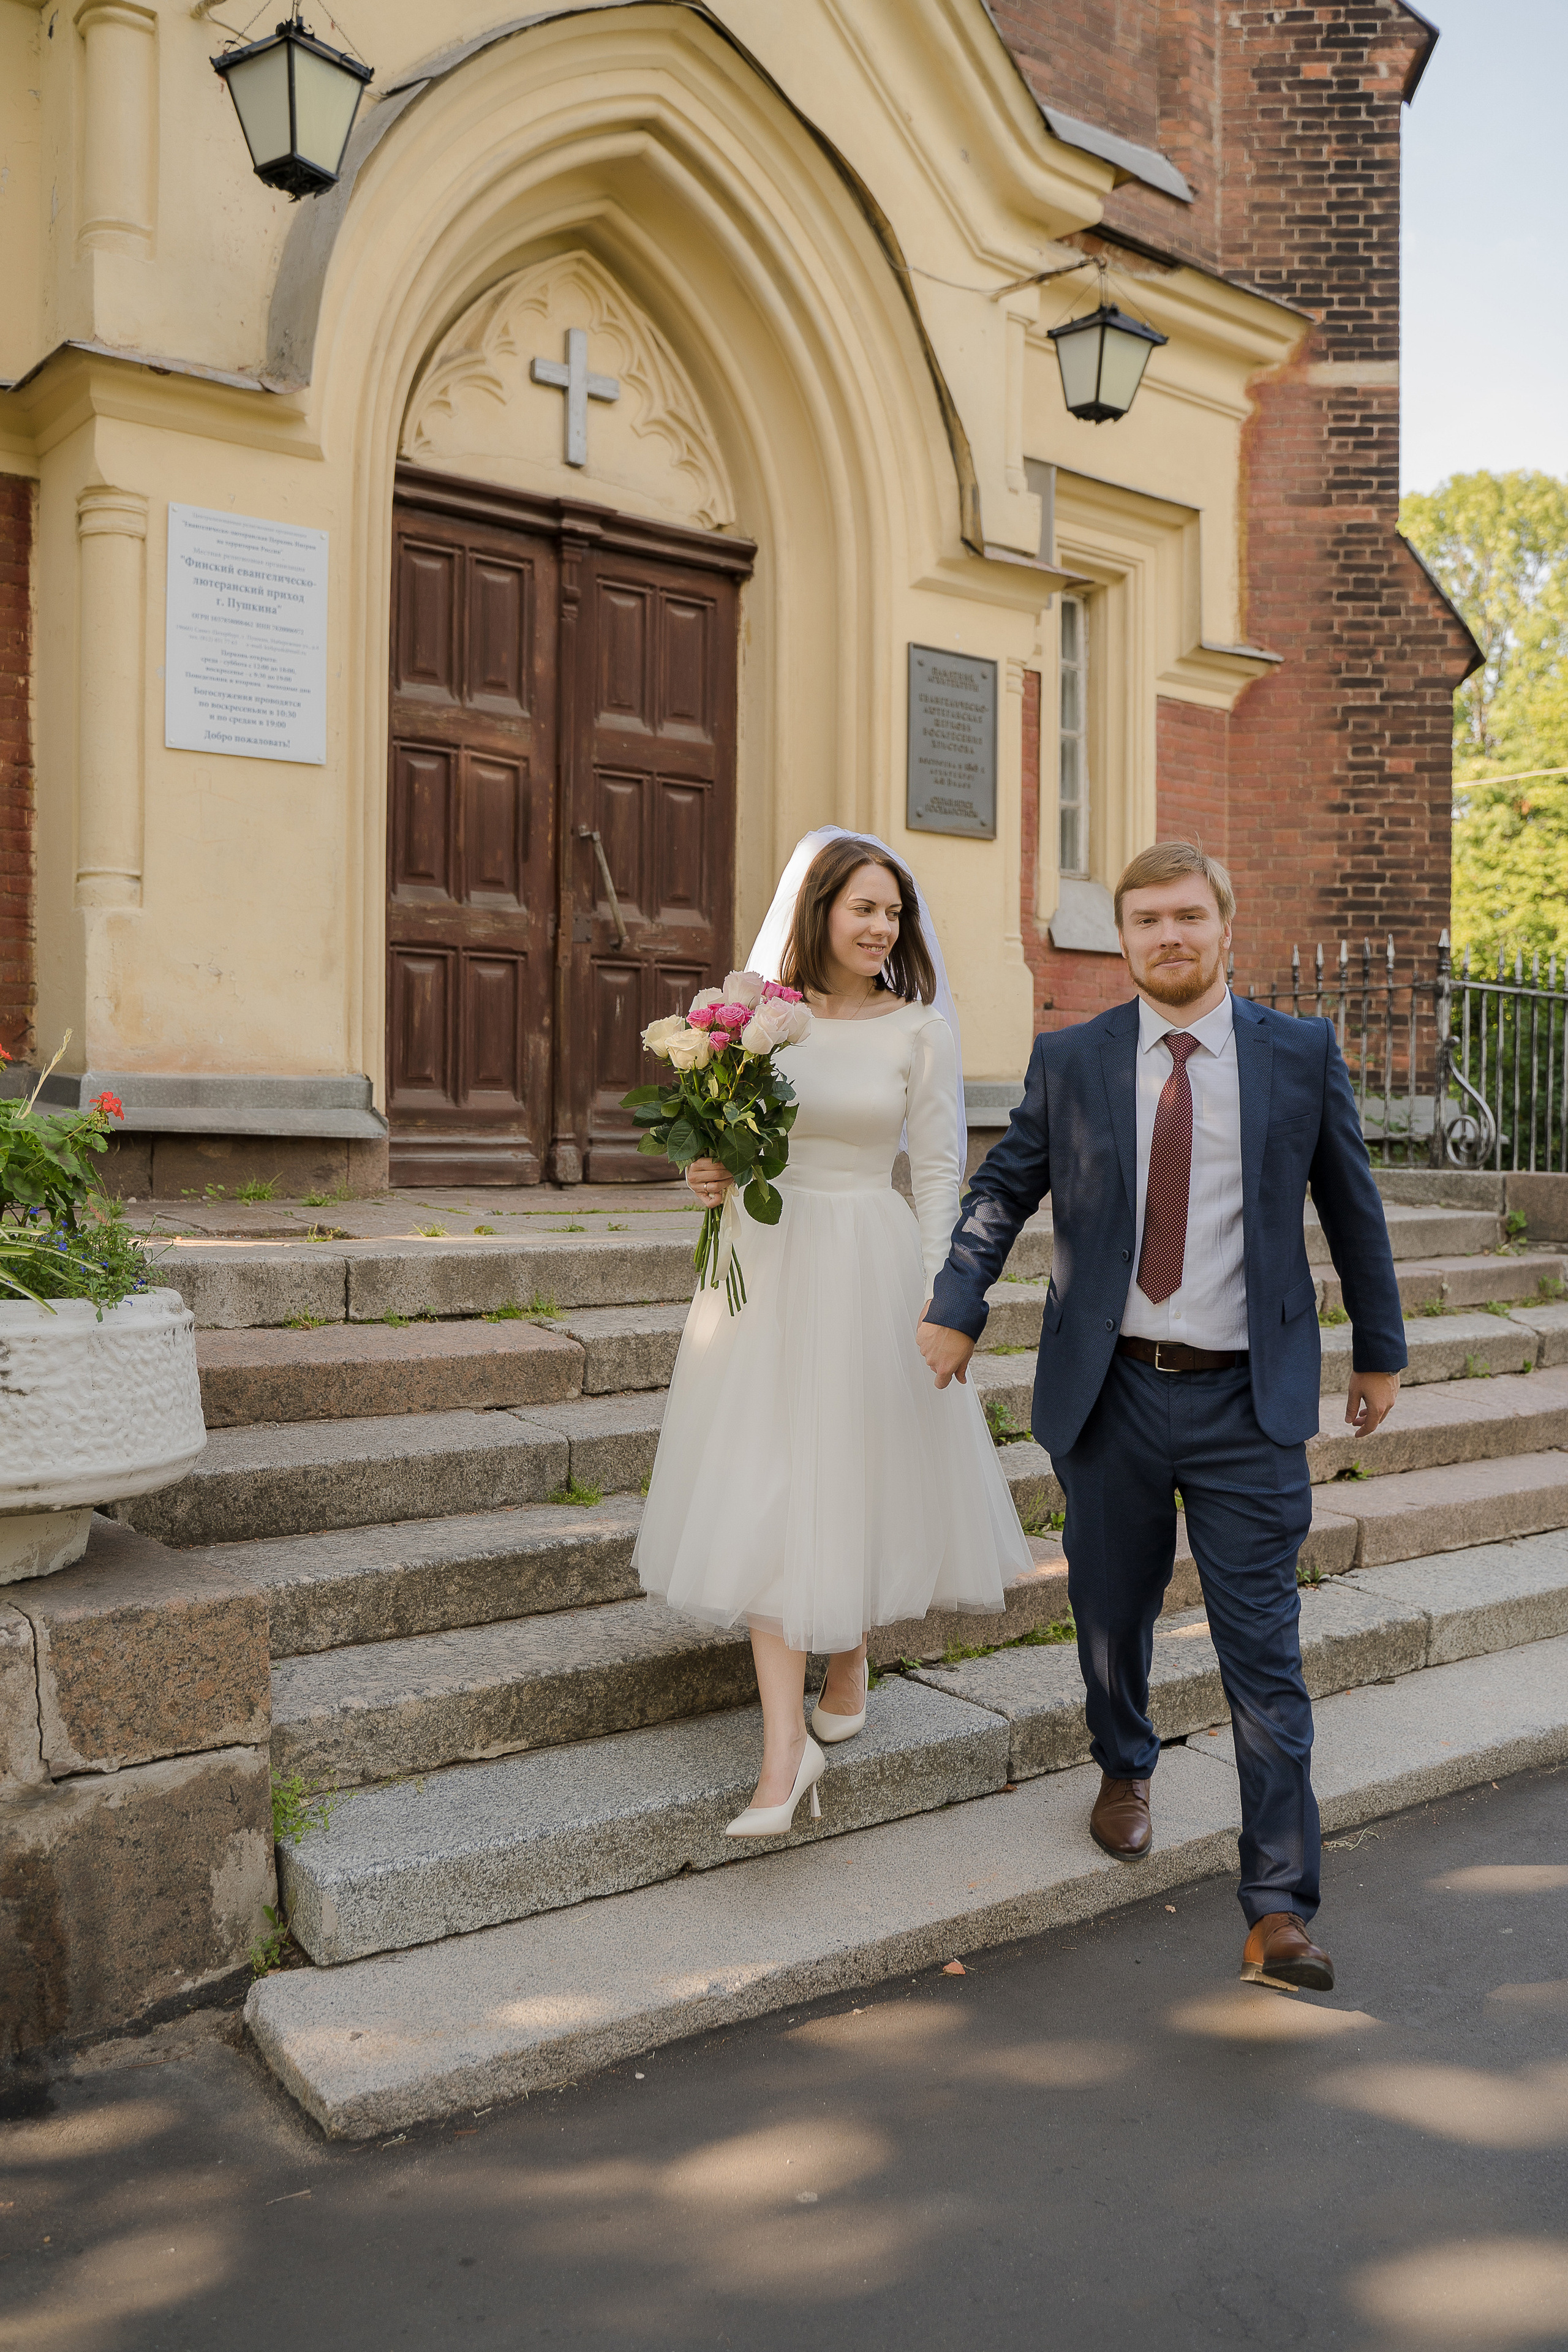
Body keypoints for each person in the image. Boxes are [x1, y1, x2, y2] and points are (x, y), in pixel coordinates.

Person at [918, 840, 1406, 1991]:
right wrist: (955, 1302)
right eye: (1146, 921)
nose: (1168, 937)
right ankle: (1124, 1762)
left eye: (1188, 916)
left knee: (1265, 1659)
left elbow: (1353, 1204)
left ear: (1227, 925)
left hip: (1248, 1399)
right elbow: (1002, 1191)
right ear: (1124, 938)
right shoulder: (1074, 1060)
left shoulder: (1298, 1053)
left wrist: (1379, 1351)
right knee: (1109, 1613)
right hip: (1113, 1393)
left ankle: (1279, 1907)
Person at [635, 829, 1033, 1837]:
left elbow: (940, 1172)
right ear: (820, 913)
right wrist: (708, 1171)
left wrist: (949, 1299)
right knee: (772, 1479)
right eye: (863, 906)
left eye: (892, 912)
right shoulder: (763, 1022)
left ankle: (849, 1649)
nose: (881, 926)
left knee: (849, 1467)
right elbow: (732, 1137)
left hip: (869, 1254)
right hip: (765, 1261)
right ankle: (784, 1754)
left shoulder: (920, 1032)